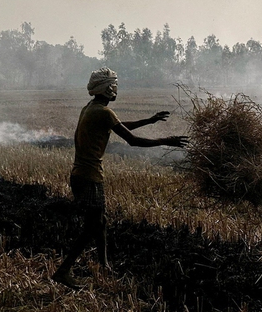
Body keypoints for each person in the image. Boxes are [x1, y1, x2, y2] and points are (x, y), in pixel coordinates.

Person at [51, 68, 187, 289]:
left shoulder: (92, 108)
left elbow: (120, 127)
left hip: (84, 175)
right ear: (109, 88)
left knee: (101, 221)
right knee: (91, 227)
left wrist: (150, 120)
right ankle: (63, 271)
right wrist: (166, 140)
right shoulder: (103, 112)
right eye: (115, 85)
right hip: (89, 177)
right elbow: (131, 140)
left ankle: (104, 265)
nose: (117, 89)